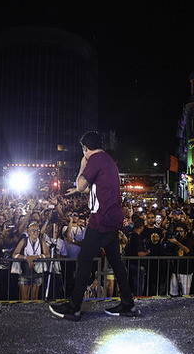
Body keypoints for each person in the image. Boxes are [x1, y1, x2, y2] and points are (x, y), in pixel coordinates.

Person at [49, 131, 139, 321]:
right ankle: (128, 304)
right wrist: (83, 189)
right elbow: (99, 187)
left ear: (85, 148)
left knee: (83, 262)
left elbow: (81, 184)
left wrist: (83, 164)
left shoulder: (94, 159)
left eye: (83, 150)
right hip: (112, 218)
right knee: (116, 261)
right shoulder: (108, 160)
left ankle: (74, 308)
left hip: (100, 220)